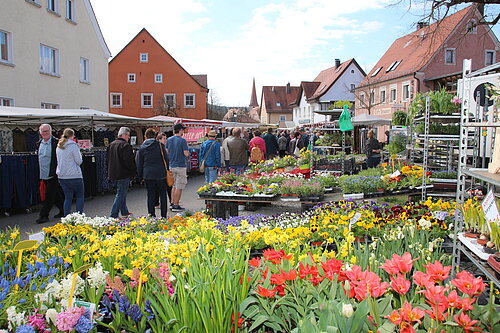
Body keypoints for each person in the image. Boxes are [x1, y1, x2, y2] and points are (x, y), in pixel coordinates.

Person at [136, 128, 169, 218]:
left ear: (145, 136)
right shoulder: (160, 145)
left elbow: (139, 163)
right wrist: (167, 170)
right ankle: (163, 216)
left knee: (150, 195)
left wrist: (140, 177)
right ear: (155, 136)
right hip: (160, 174)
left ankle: (151, 215)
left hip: (148, 174)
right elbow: (166, 159)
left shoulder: (142, 147)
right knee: (163, 194)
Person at [36, 124, 64, 223]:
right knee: (55, 194)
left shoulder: (56, 143)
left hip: (53, 173)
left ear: (51, 131)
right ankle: (63, 210)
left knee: (49, 194)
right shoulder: (39, 143)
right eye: (43, 131)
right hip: (43, 173)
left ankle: (44, 215)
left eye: (47, 131)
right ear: (40, 132)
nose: (45, 133)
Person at [107, 127, 136, 218]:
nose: (128, 138)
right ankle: (114, 214)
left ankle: (124, 211)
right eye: (128, 136)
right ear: (123, 135)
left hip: (113, 173)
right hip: (123, 173)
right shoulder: (125, 145)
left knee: (121, 192)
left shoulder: (111, 144)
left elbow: (107, 159)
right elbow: (128, 161)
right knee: (121, 194)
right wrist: (133, 171)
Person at [56, 128, 84, 216]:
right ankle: (79, 216)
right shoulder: (73, 146)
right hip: (74, 175)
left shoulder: (59, 146)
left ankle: (66, 217)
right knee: (80, 196)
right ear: (72, 135)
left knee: (67, 198)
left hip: (62, 175)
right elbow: (79, 161)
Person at [166, 123, 189, 212]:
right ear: (180, 130)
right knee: (179, 186)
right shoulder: (182, 141)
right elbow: (186, 153)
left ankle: (172, 202)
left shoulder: (169, 140)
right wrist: (188, 153)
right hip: (180, 165)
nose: (183, 131)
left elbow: (167, 151)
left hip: (172, 165)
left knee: (174, 186)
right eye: (182, 130)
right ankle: (176, 205)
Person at [157, 132, 173, 207]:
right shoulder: (160, 147)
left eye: (165, 138)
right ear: (159, 139)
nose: (165, 140)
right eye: (164, 138)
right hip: (162, 170)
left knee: (169, 186)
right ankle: (169, 202)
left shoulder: (164, 147)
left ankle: (171, 200)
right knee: (166, 187)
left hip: (164, 170)